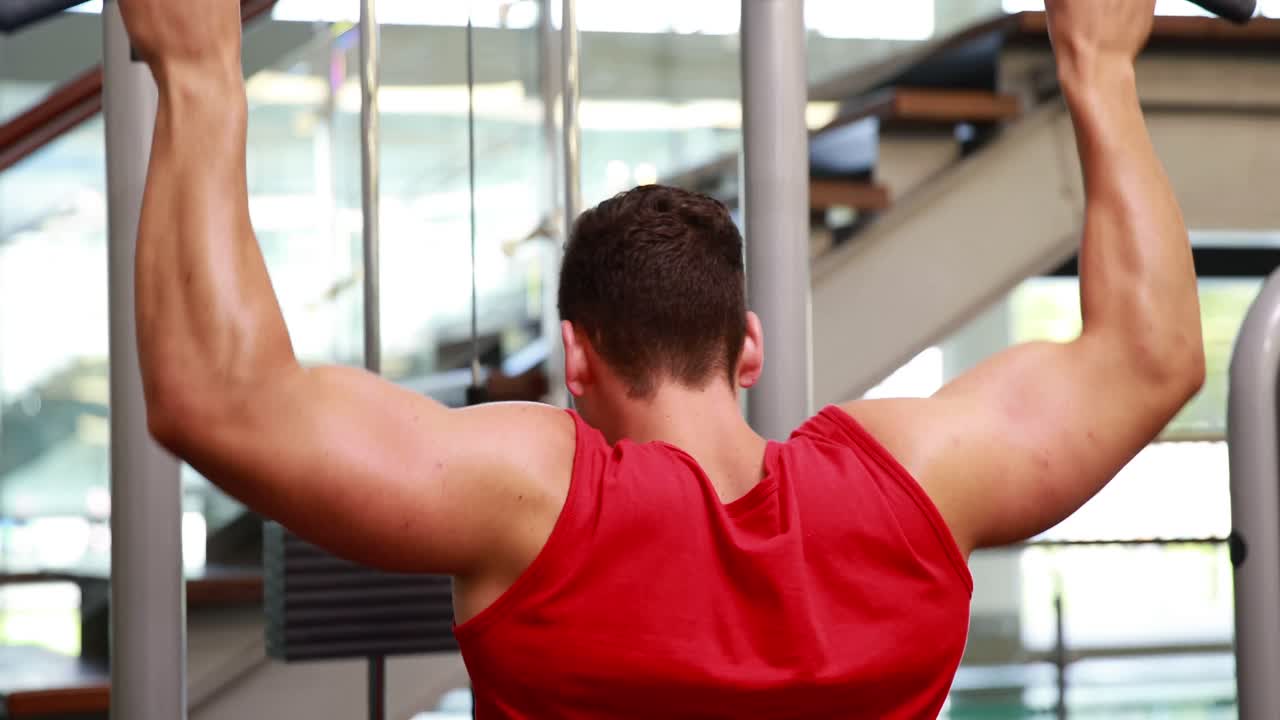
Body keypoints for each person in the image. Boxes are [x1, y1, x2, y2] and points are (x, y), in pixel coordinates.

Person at [119, 0, 1204, 717]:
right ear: (747, 346)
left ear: (576, 358)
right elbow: (1148, 358)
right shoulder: (908, 484)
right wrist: (1095, 61)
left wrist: (200, 64)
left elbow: (215, 397)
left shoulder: (534, 503)